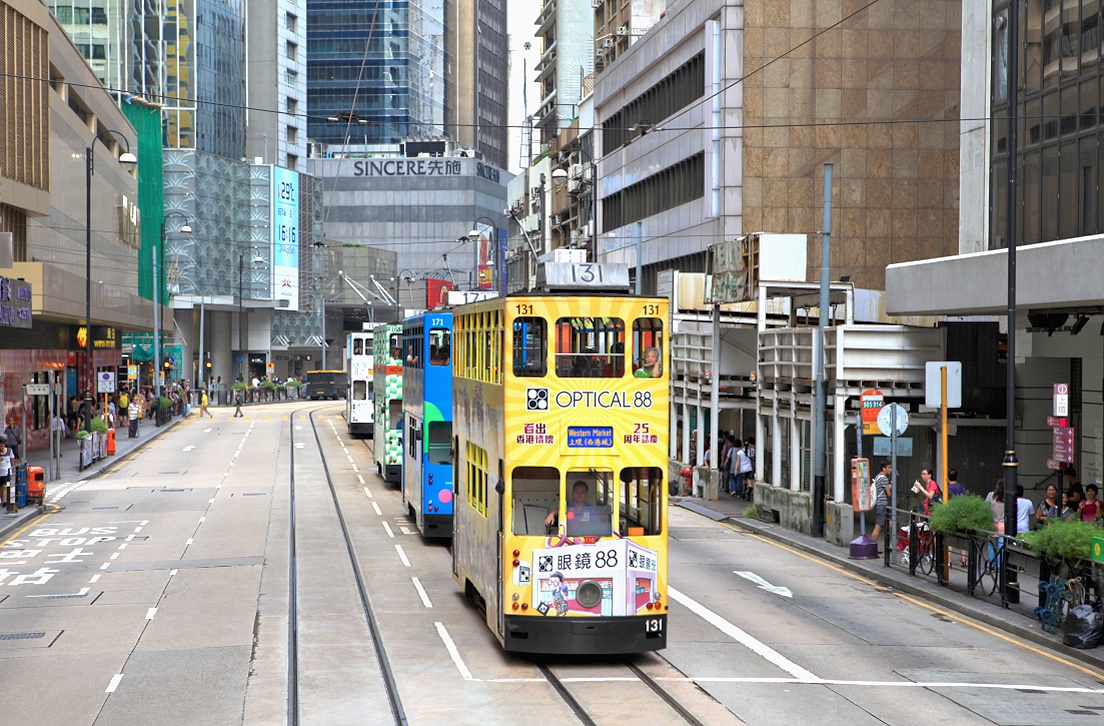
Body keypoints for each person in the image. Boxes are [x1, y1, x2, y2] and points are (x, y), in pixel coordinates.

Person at [870, 461, 892, 545]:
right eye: (889, 468)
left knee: (889, 524)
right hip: (882, 504)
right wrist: (890, 487)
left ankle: (889, 544)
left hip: (879, 504)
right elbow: (889, 493)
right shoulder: (884, 478)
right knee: (878, 526)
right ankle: (871, 545)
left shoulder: (878, 477)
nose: (890, 470)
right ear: (884, 469)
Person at [0, 434, 13, 511]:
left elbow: (12, 459)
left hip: (7, 472)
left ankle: (5, 501)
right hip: (0, 472)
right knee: (1, 487)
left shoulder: (9, 451)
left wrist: (11, 468)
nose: (1, 446)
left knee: (5, 486)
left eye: (2, 444)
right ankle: (2, 501)